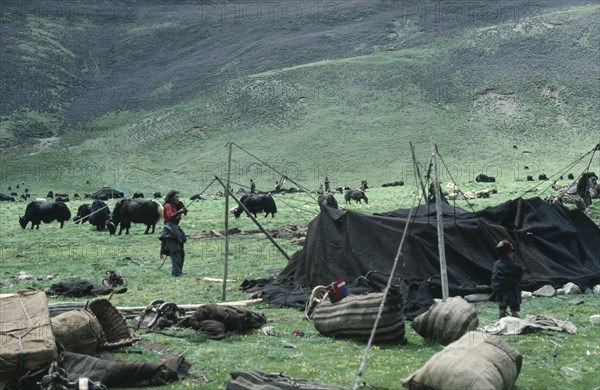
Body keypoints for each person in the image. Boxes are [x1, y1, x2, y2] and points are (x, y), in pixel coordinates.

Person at [489, 240, 523, 319]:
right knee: (514, 303)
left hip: (499, 289)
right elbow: (519, 271)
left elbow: (495, 276)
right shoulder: (510, 264)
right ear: (508, 253)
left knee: (502, 305)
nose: (512, 253)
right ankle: (514, 314)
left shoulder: (496, 263)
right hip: (510, 290)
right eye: (511, 252)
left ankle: (502, 313)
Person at [159, 190, 188, 277]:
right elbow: (170, 216)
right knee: (175, 252)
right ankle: (176, 273)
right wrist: (180, 212)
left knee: (181, 252)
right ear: (171, 198)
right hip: (169, 231)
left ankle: (179, 271)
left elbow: (176, 217)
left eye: (178, 197)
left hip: (175, 229)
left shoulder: (175, 206)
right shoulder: (168, 206)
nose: (178, 199)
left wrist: (182, 211)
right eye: (176, 197)